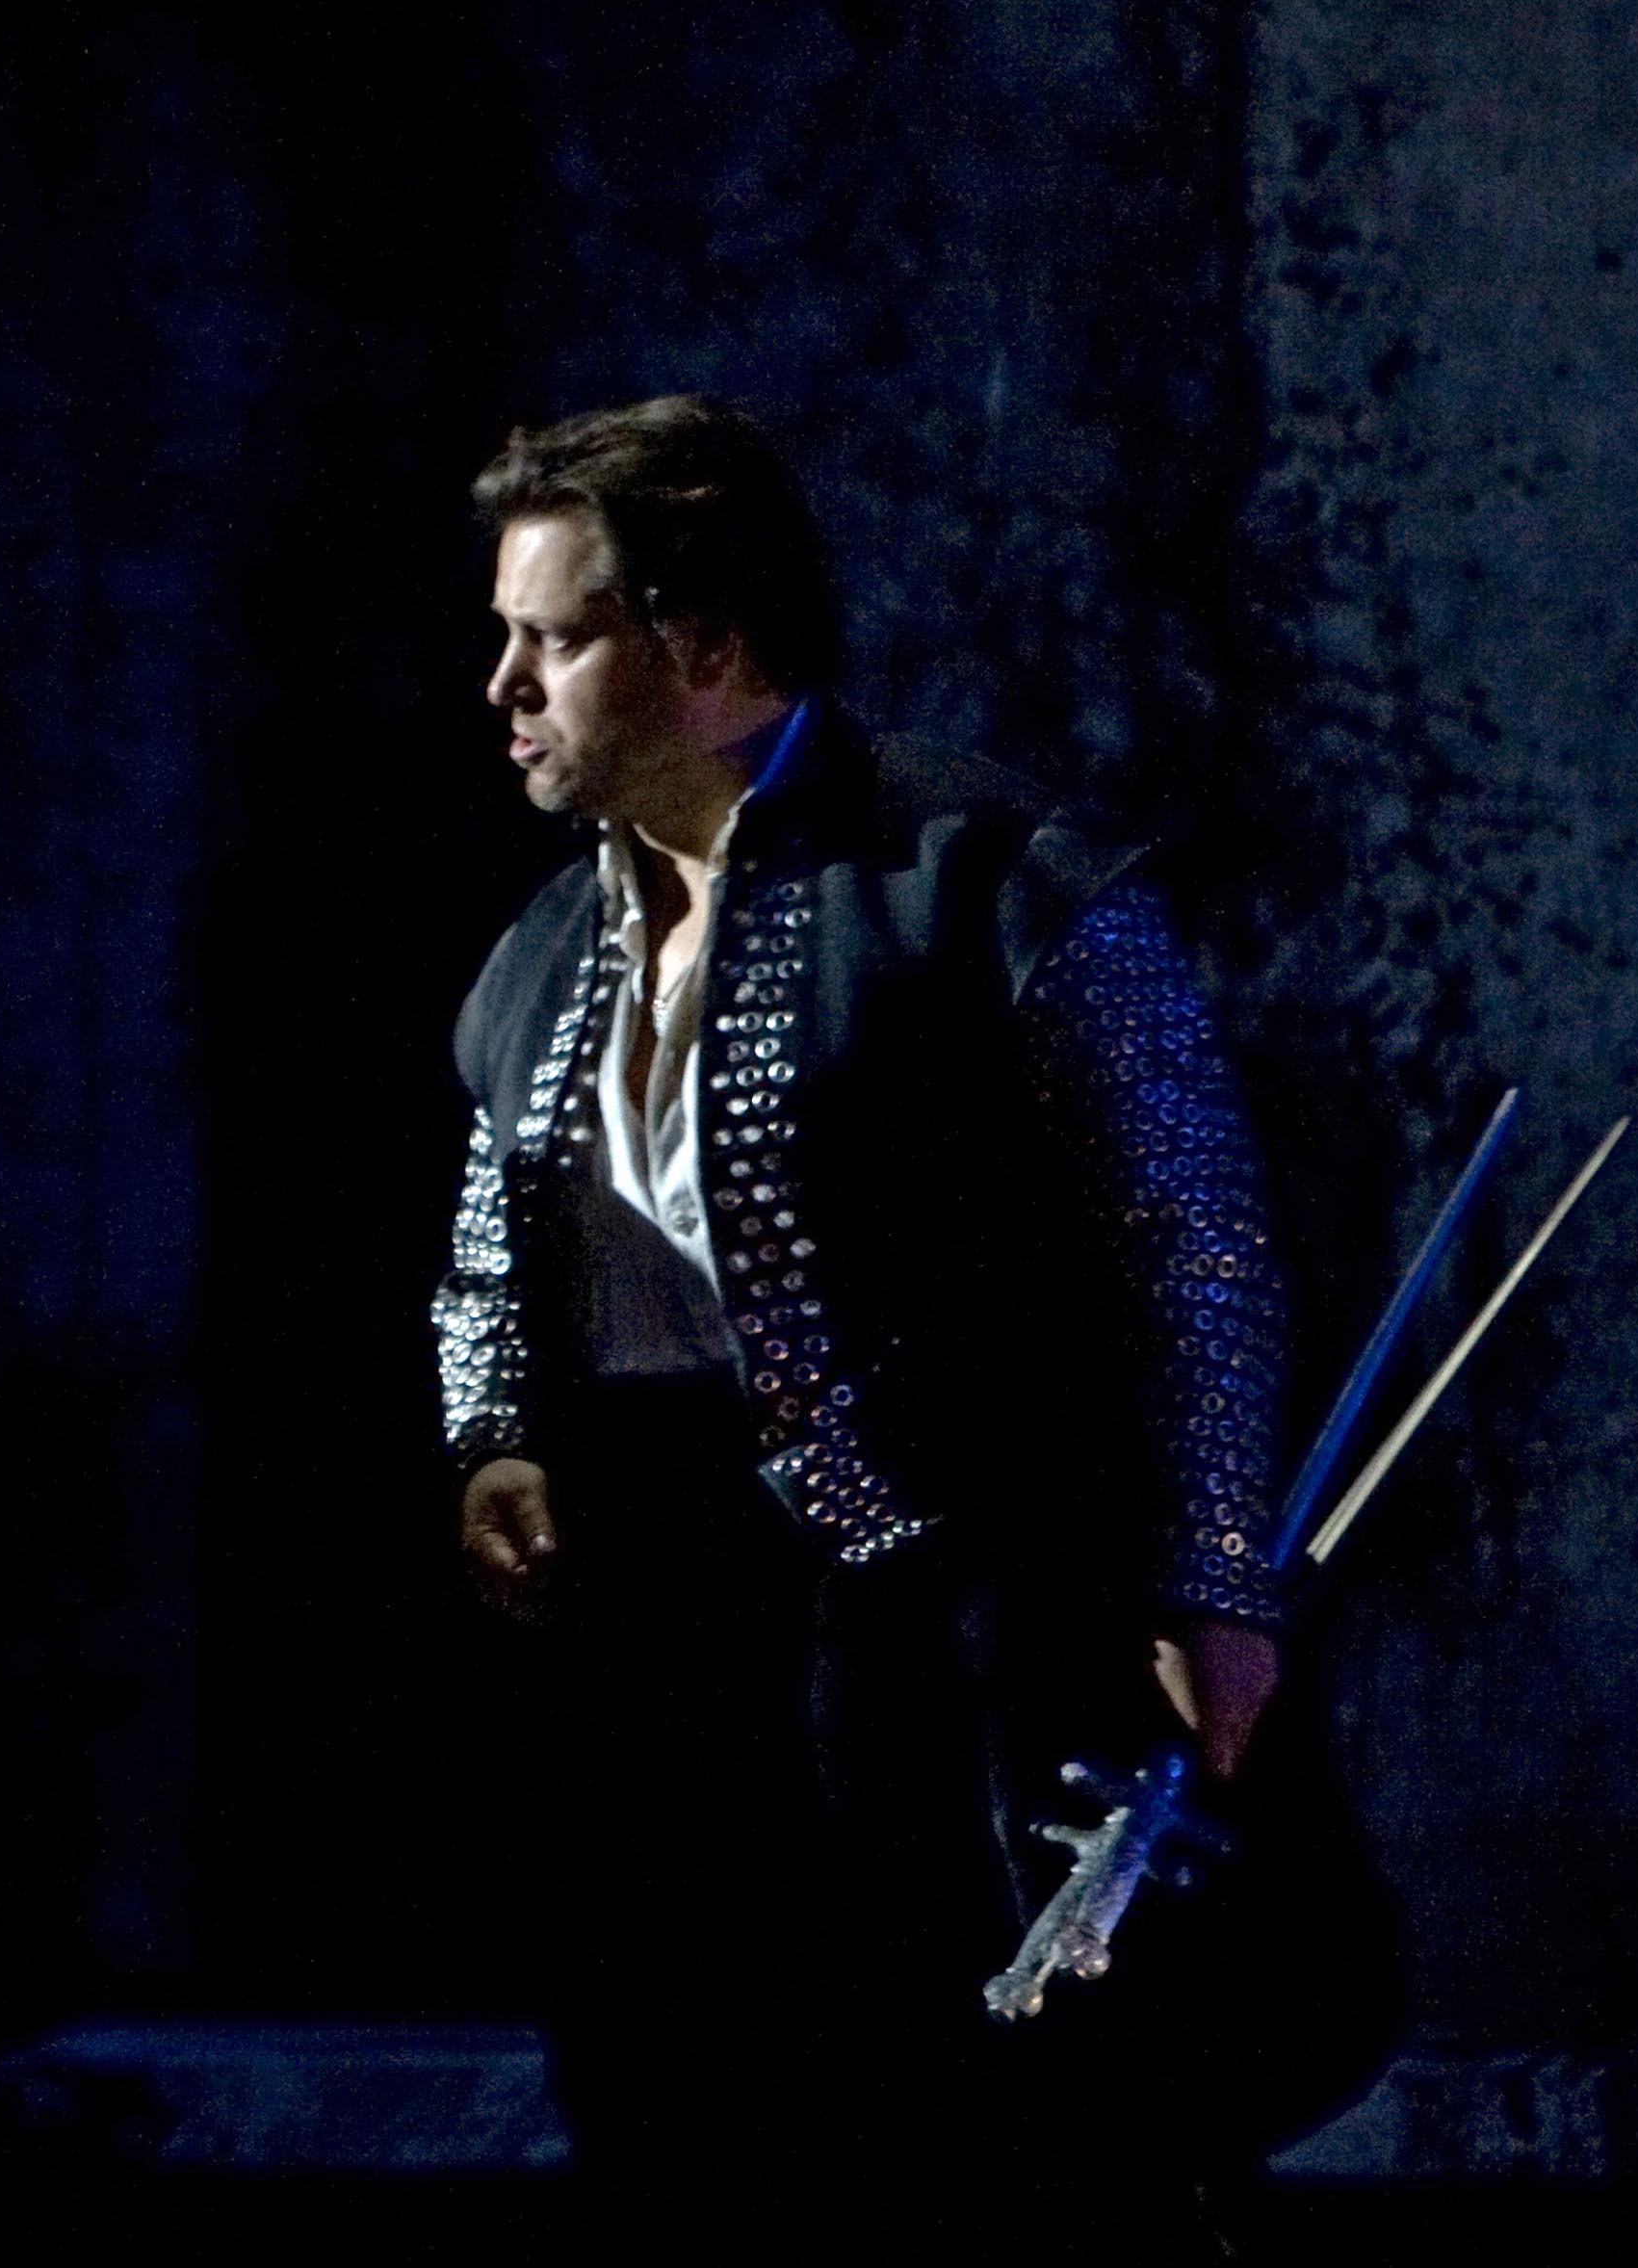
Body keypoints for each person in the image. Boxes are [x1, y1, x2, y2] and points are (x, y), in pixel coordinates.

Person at [433, 397, 1313, 2254]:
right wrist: (496, 1433)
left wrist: (1214, 1572)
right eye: (507, 637)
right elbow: (491, 1252)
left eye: (554, 638)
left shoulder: (987, 876)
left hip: (952, 1595)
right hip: (662, 1614)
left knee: (989, 2108)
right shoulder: (540, 953)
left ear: (707, 644)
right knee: (679, 2098)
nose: (506, 687)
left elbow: (1193, 1242)